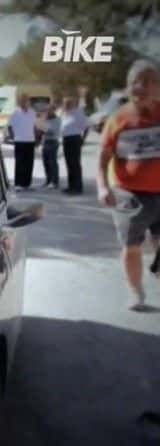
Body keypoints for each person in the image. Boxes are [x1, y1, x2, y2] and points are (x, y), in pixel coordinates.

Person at [97, 59, 160, 311]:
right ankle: (136, 291)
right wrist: (103, 187)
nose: (143, 87)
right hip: (129, 195)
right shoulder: (118, 119)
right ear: (128, 87)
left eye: (151, 82)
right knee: (132, 246)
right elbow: (103, 160)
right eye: (138, 82)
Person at [61, 91, 89, 195]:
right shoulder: (65, 114)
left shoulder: (78, 112)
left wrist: (83, 139)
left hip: (75, 139)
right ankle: (71, 186)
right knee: (69, 163)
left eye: (68, 103)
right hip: (66, 139)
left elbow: (86, 127)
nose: (66, 105)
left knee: (75, 164)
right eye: (65, 103)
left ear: (73, 103)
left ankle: (77, 187)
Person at [8, 93, 38, 191]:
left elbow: (35, 126)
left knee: (29, 163)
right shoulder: (15, 112)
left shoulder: (32, 112)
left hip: (30, 140)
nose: (25, 102)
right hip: (19, 140)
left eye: (27, 100)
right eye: (23, 100)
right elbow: (10, 126)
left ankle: (27, 184)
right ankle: (18, 184)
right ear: (20, 102)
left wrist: (36, 138)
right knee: (20, 163)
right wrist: (13, 137)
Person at [41, 103, 62, 189]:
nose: (47, 112)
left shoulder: (57, 120)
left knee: (52, 162)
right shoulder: (45, 119)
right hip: (45, 142)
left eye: (49, 110)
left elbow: (53, 131)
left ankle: (54, 182)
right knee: (46, 162)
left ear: (53, 110)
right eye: (46, 110)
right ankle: (48, 180)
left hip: (53, 141)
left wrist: (44, 128)